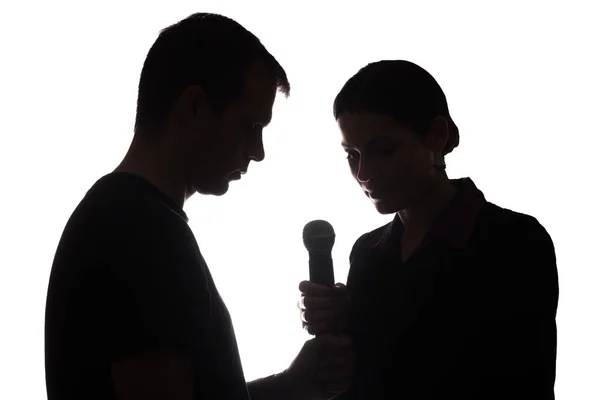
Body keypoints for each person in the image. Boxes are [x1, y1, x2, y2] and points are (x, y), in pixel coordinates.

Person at [45, 13, 354, 400]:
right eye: (249, 127)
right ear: (193, 107)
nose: (257, 153)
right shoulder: (142, 231)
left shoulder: (123, 219)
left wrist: (291, 385)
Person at [298, 60, 559, 399]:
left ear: (436, 134)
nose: (363, 173)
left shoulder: (515, 242)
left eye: (383, 150)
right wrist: (341, 333)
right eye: (352, 155)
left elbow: (523, 385)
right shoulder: (367, 253)